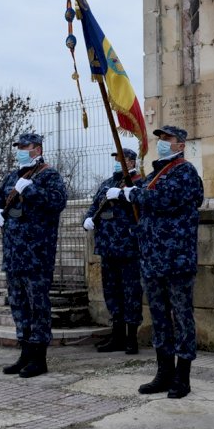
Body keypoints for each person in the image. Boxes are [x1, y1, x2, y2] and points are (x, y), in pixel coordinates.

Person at [111, 125, 204, 399]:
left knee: (182, 316)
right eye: (160, 138)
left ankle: (182, 376)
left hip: (177, 260)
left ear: (181, 145)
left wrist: (133, 194)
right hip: (153, 259)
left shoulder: (184, 172)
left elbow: (165, 200)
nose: (162, 142)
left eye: (168, 139)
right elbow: (149, 209)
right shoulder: (153, 175)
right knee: (160, 317)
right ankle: (163, 372)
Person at [0, 133, 67, 378]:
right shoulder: (11, 176)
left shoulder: (48, 175)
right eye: (19, 147)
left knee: (38, 305)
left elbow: (58, 202)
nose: (21, 150)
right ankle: (24, 352)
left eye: (25, 146)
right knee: (18, 304)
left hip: (37, 254)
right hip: (13, 253)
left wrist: (31, 190)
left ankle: (39, 357)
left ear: (38, 149)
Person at [82, 148, 143, 354]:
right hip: (107, 247)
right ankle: (117, 335)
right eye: (116, 159)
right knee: (112, 293)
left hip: (129, 248)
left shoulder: (139, 183)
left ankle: (131, 338)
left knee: (131, 293)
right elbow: (95, 206)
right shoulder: (107, 183)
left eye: (122, 159)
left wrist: (124, 195)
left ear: (132, 162)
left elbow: (142, 205)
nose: (118, 162)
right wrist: (88, 219)